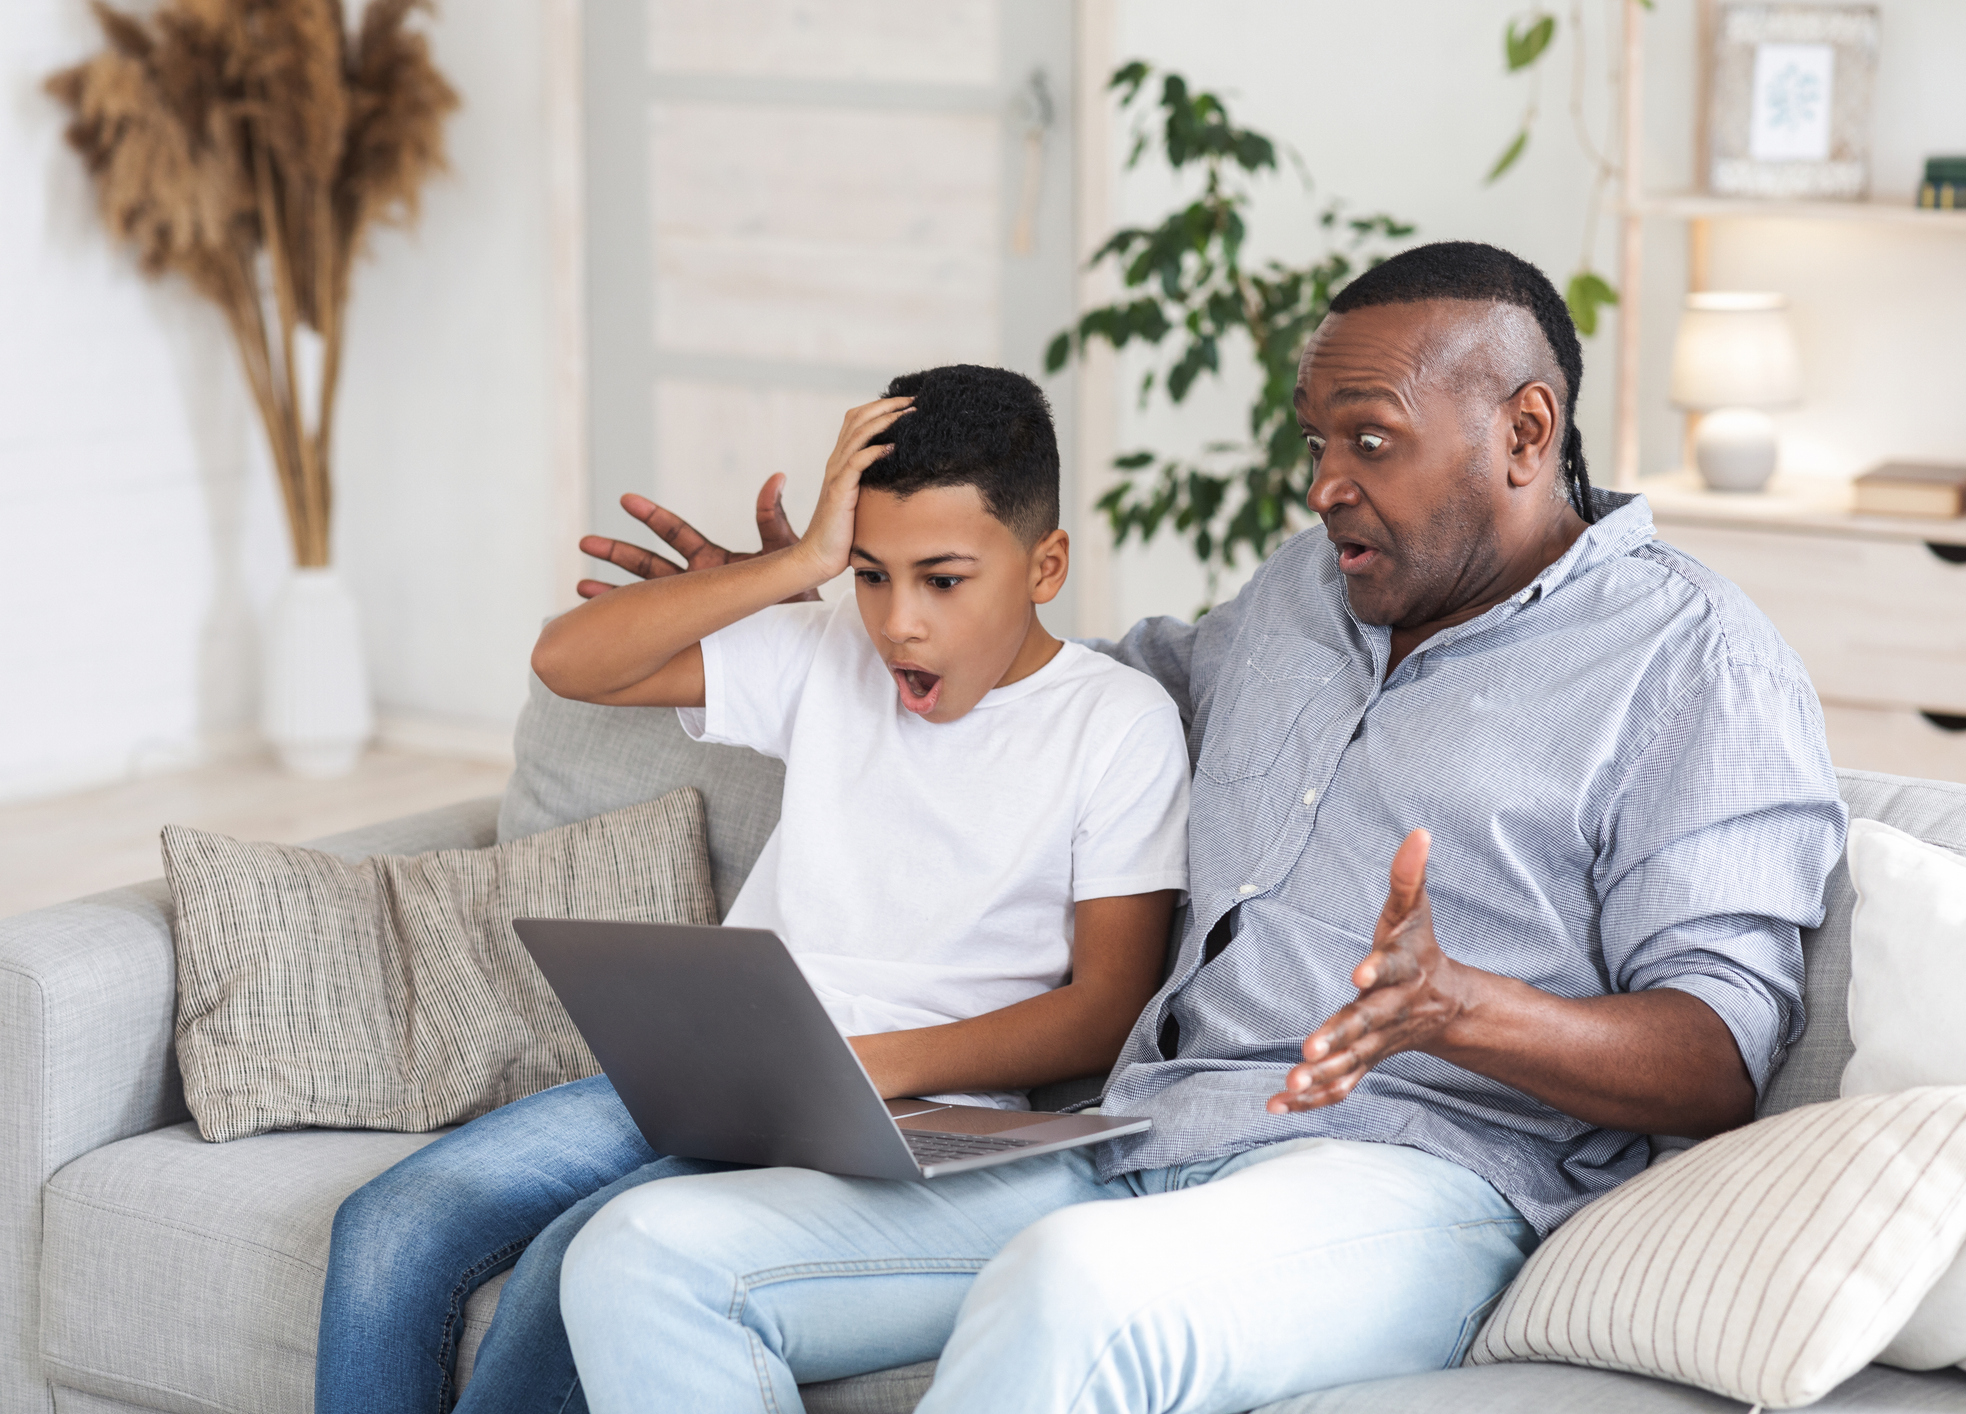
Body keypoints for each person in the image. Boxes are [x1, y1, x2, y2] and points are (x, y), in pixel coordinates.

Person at [552, 241, 1849, 1414]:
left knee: (1078, 1291)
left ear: (1524, 429)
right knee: (649, 1256)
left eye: (1371, 440)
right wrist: (839, 607)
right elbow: (1075, 674)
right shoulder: (1305, 588)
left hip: (1411, 1173)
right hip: (1141, 1136)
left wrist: (1460, 1004)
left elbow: (1719, 1051)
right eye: (1315, 443)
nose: (1327, 484)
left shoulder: (1695, 662)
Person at [312, 365, 1191, 1414]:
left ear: (1044, 564)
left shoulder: (1118, 724)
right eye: (870, 573)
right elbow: (569, 662)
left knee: (573, 1266)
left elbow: (1106, 1008)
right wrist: (796, 569)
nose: (898, 622)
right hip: (719, 1074)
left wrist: (861, 1067)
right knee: (389, 1225)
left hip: (908, 1104)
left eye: (942, 579)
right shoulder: (826, 653)